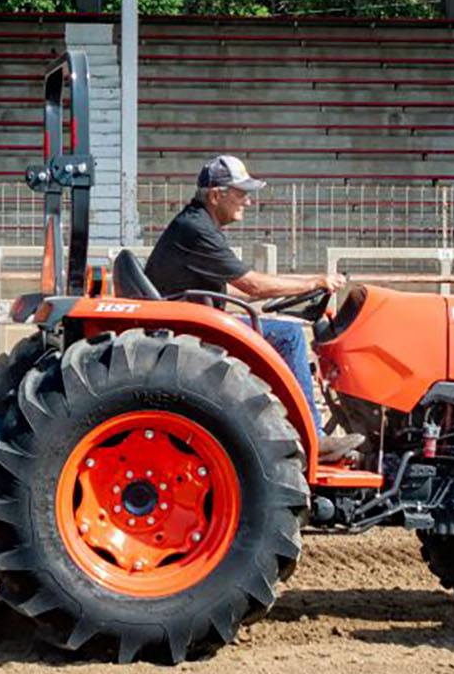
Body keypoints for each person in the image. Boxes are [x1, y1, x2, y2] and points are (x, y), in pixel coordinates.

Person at [144, 155, 364, 462]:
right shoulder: (197, 230)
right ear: (216, 195)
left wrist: (303, 285)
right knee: (289, 336)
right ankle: (312, 436)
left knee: (277, 329)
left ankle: (292, 431)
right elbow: (253, 285)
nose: (247, 202)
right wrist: (314, 281)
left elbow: (232, 288)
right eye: (241, 193)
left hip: (192, 318)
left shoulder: (196, 223)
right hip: (190, 328)